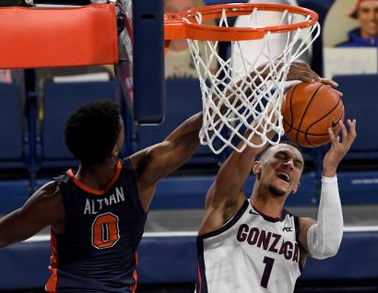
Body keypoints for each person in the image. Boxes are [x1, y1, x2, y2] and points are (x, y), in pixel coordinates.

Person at [0, 61, 329, 292]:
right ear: (115, 149)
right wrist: (263, 75)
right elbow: (207, 121)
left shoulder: (55, 198)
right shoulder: (139, 174)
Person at [196, 111, 357, 291]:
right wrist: (280, 105)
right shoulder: (229, 206)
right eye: (281, 156)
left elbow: (328, 246)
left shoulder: (299, 229)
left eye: (297, 164)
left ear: (296, 185)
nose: (289, 164)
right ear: (257, 167)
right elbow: (248, 149)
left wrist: (329, 172)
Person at [164, 0, 218, 79]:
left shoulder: (208, 50)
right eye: (172, 10)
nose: (180, 17)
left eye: (186, 11)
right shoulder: (147, 52)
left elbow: (212, 89)